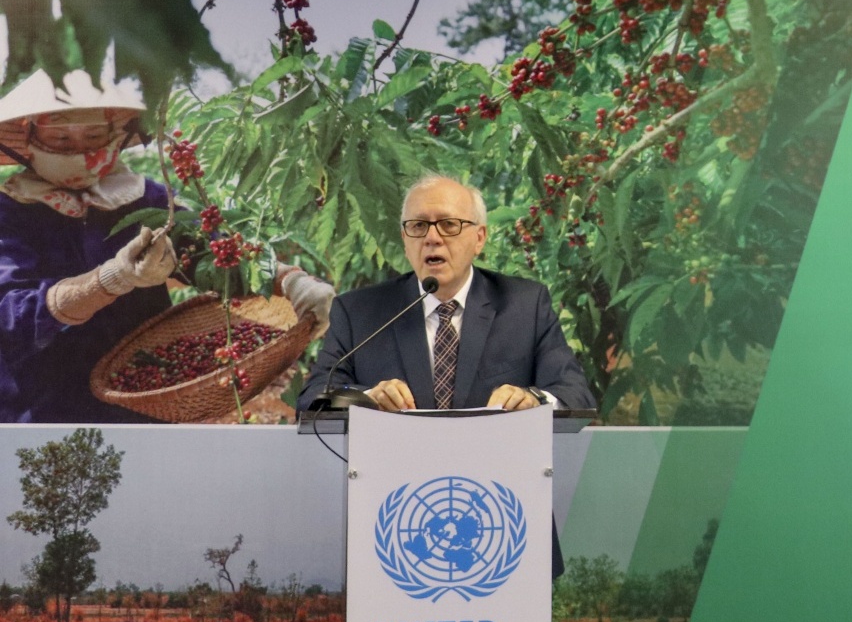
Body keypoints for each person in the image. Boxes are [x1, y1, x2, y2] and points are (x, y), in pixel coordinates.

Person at [0, 68, 334, 422]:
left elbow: (209, 253)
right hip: (39, 408)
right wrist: (108, 281)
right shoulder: (9, 211)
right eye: (60, 139)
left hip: (141, 401)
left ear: (114, 136)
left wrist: (287, 280)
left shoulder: (145, 199)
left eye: (94, 136)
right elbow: (10, 313)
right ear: (29, 140)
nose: (79, 151)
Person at [297, 174, 594, 413]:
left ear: (479, 238)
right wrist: (367, 398)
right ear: (405, 240)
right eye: (418, 226)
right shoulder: (358, 312)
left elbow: (575, 394)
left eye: (449, 225)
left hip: (495, 466)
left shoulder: (525, 307)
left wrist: (534, 400)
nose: (432, 238)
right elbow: (313, 398)